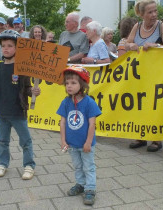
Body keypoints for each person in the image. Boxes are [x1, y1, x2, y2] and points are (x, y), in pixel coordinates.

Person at [0, 30, 41, 179]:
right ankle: (2, 163)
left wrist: (34, 92)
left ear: (17, 48)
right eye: (3, 45)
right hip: (2, 112)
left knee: (25, 141)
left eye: (10, 45)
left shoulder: (22, 68)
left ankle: (29, 165)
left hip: (18, 112)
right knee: (2, 141)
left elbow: (27, 88)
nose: (6, 48)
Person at [125, 0, 163, 152]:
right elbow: (127, 42)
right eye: (150, 12)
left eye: (155, 11)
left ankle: (156, 139)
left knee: (155, 104)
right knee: (140, 104)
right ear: (141, 14)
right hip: (140, 75)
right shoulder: (137, 26)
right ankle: (140, 136)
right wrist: (131, 45)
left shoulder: (162, 26)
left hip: (158, 74)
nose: (154, 15)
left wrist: (157, 46)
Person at [57, 65, 101, 205]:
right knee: (77, 166)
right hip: (72, 144)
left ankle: (90, 189)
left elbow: (92, 124)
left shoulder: (89, 103)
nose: (69, 86)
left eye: (73, 83)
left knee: (88, 166)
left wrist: (88, 142)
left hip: (85, 144)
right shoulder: (65, 102)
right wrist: (63, 140)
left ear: (82, 85)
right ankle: (81, 184)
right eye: (67, 83)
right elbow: (62, 123)